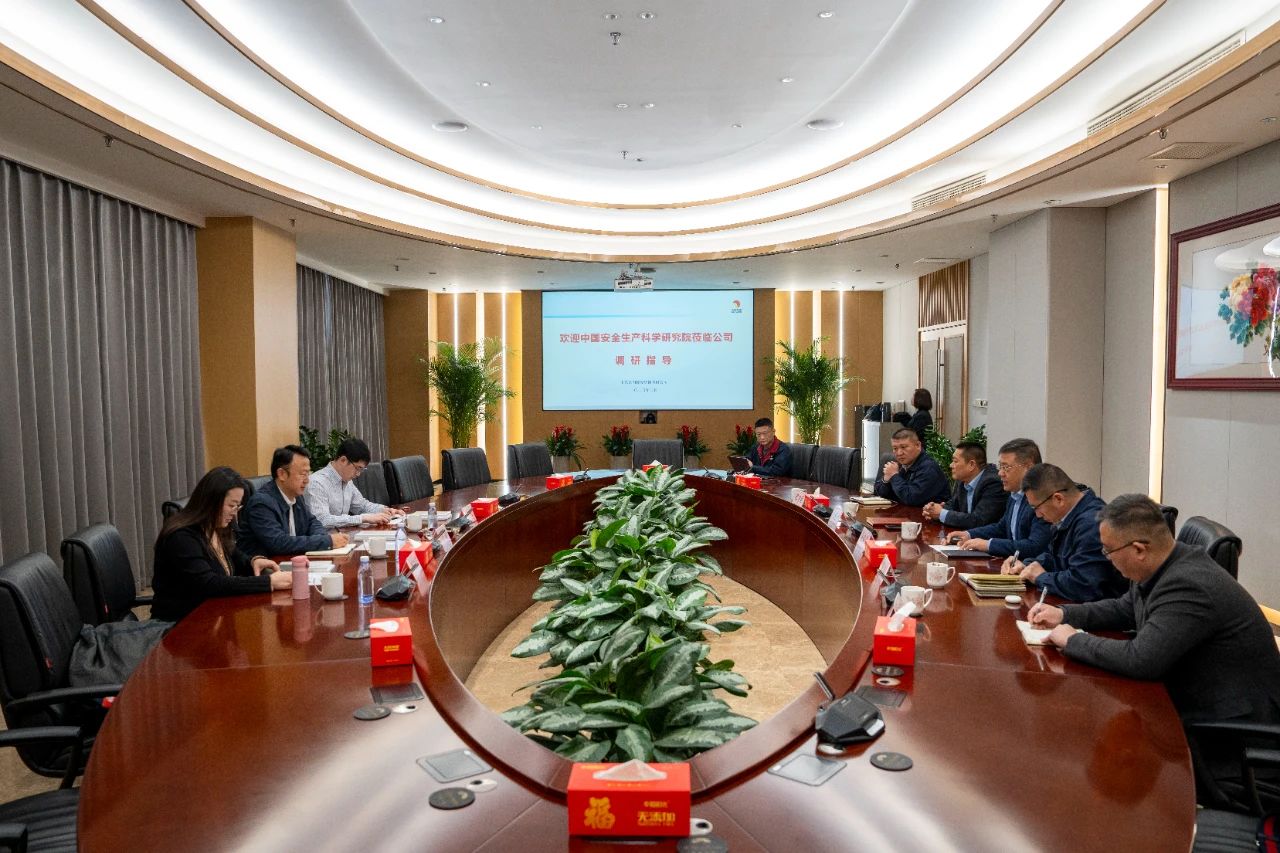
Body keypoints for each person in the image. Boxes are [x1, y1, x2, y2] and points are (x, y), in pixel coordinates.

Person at [1029, 494, 1280, 804]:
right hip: (1193, 710)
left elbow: (1141, 660)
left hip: (1229, 742)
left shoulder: (1188, 584)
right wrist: (1065, 614)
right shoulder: (1164, 564)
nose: (1106, 558)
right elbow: (1125, 608)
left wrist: (1073, 640)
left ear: (1139, 549)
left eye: (1108, 551)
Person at [151, 467, 293, 622]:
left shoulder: (214, 527)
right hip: (179, 624)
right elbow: (209, 584)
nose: (235, 513)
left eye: (238, 507)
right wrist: (268, 582)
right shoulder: (181, 537)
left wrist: (252, 562)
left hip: (212, 617)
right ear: (211, 502)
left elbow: (235, 556)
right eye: (231, 506)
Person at [1001, 463, 1124, 602]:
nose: (1038, 515)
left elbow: (1084, 585)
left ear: (1058, 499)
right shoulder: (1066, 516)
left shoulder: (1092, 523)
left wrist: (1040, 577)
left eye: (1036, 508)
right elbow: (1054, 558)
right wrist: (1027, 565)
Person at [945, 438, 1052, 558]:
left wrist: (989, 545)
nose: (1000, 473)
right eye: (1000, 466)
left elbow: (1035, 546)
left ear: (1028, 467)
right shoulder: (1015, 494)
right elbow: (1001, 528)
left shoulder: (1042, 499)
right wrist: (968, 534)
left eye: (1006, 467)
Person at [239, 445, 350, 557]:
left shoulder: (296, 496)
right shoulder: (262, 503)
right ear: (282, 474)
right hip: (269, 564)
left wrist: (323, 538)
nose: (307, 480)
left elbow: (312, 522)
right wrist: (326, 542)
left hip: (294, 561)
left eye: (308, 474)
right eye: (302, 474)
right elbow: (279, 543)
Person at [304, 437, 404, 529]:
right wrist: (362, 518)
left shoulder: (347, 481)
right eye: (358, 468)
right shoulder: (317, 483)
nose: (358, 474)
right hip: (324, 540)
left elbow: (361, 506)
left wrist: (384, 510)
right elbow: (322, 520)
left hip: (342, 537)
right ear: (343, 460)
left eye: (361, 470)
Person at [922, 440, 1006, 528]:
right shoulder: (963, 479)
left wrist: (941, 514)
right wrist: (934, 509)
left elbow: (979, 520)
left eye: (955, 461)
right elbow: (953, 505)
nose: (951, 465)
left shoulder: (993, 483)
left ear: (971, 465)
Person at [872, 428, 950, 506]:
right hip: (904, 511)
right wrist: (886, 480)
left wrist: (894, 476)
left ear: (918, 445)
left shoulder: (929, 468)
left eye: (903, 447)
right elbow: (878, 494)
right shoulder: (899, 465)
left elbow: (911, 499)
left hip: (925, 513)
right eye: (895, 448)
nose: (899, 453)